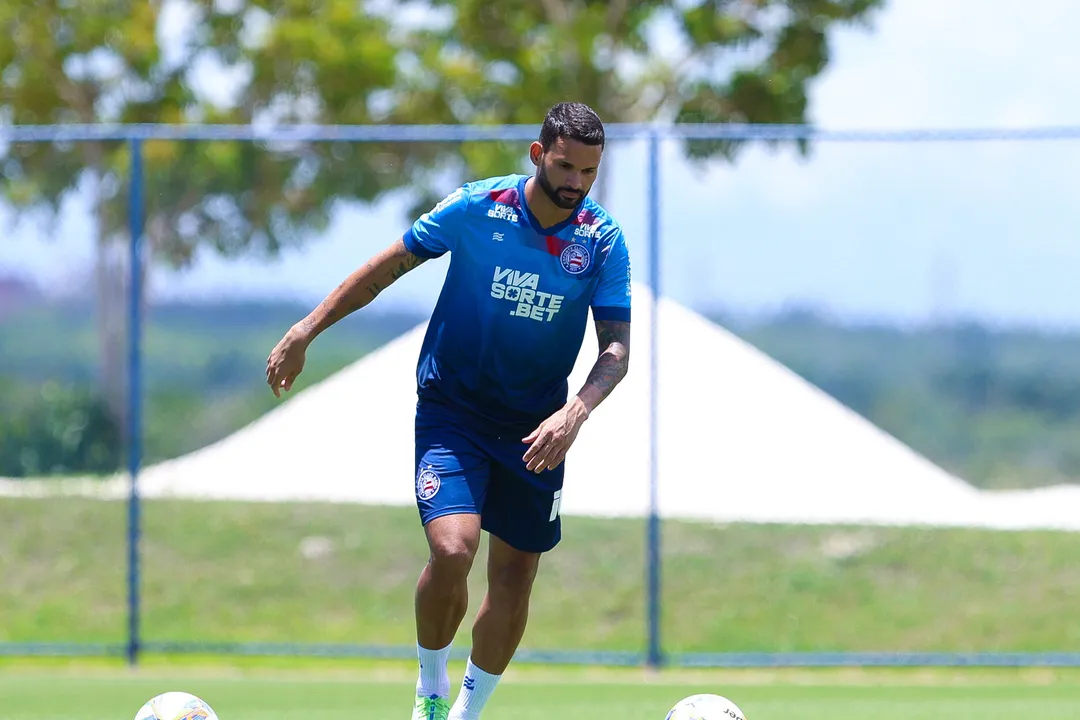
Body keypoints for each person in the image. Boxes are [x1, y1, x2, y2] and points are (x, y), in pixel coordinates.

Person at [265, 101, 632, 720]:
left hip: (537, 429)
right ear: (538, 155)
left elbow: (616, 349)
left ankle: (464, 715)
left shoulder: (602, 240)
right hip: (454, 412)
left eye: (589, 173)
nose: (576, 184)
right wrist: (307, 329)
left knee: (514, 580)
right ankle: (430, 695)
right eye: (566, 167)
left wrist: (576, 412)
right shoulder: (476, 208)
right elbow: (385, 269)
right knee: (455, 550)